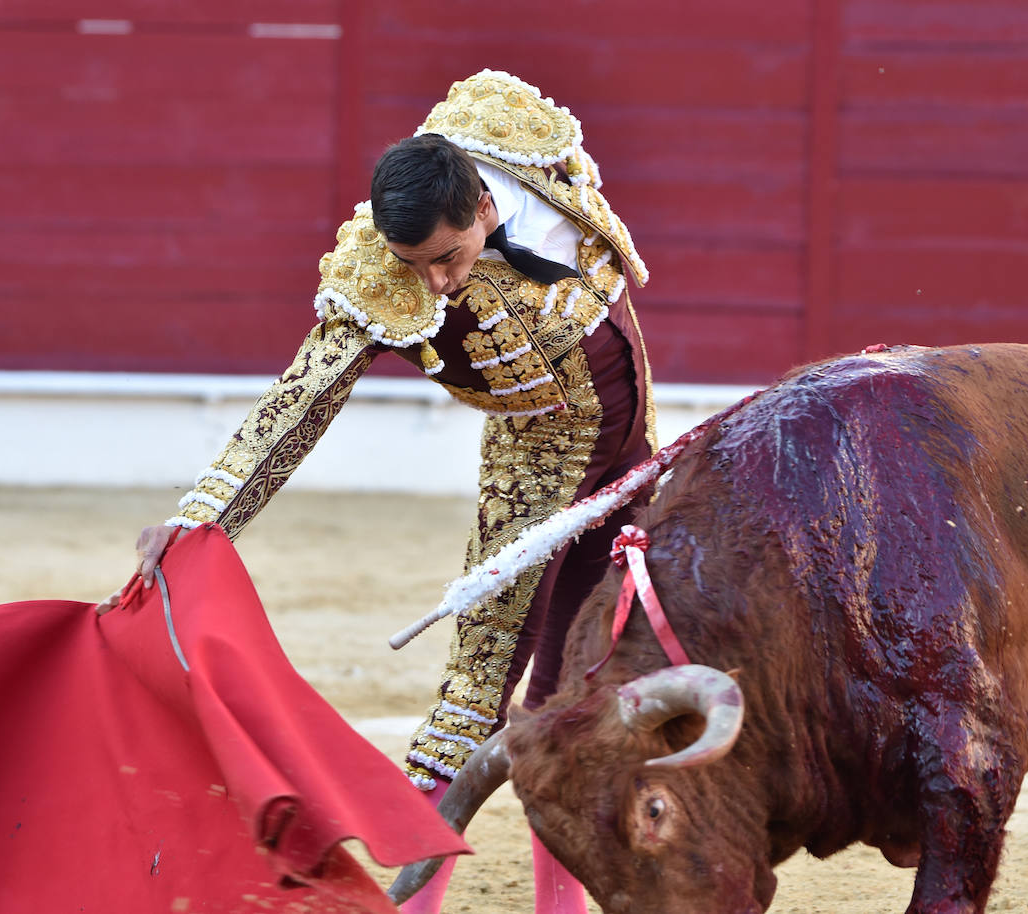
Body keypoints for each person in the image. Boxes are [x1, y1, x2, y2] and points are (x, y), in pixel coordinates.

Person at [98, 68, 656, 914]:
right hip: (534, 480)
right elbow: (300, 401)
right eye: (413, 265)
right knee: (475, 695)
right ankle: (407, 905)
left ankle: (560, 909)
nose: (433, 284)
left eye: (446, 258)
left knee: (582, 692)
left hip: (631, 457)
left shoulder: (511, 131)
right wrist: (202, 517)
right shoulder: (380, 273)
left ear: (483, 206)